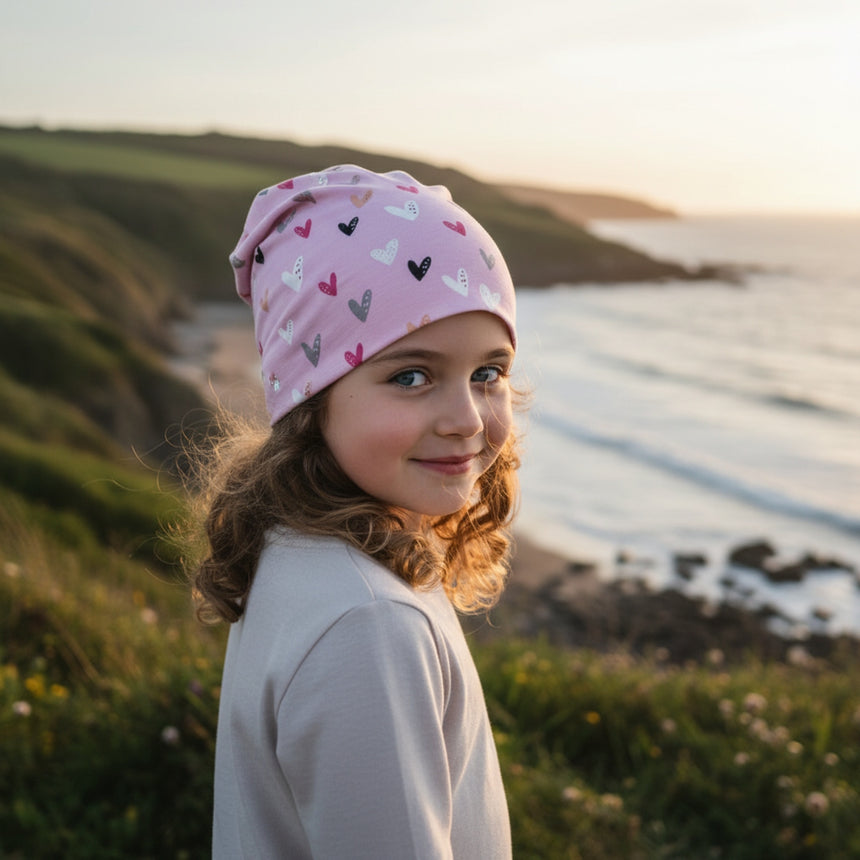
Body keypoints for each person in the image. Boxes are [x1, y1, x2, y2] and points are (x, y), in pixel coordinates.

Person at [193, 165, 522, 859]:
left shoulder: (307, 545)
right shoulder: (368, 623)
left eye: (488, 374)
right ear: (311, 398)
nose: (467, 419)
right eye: (411, 375)